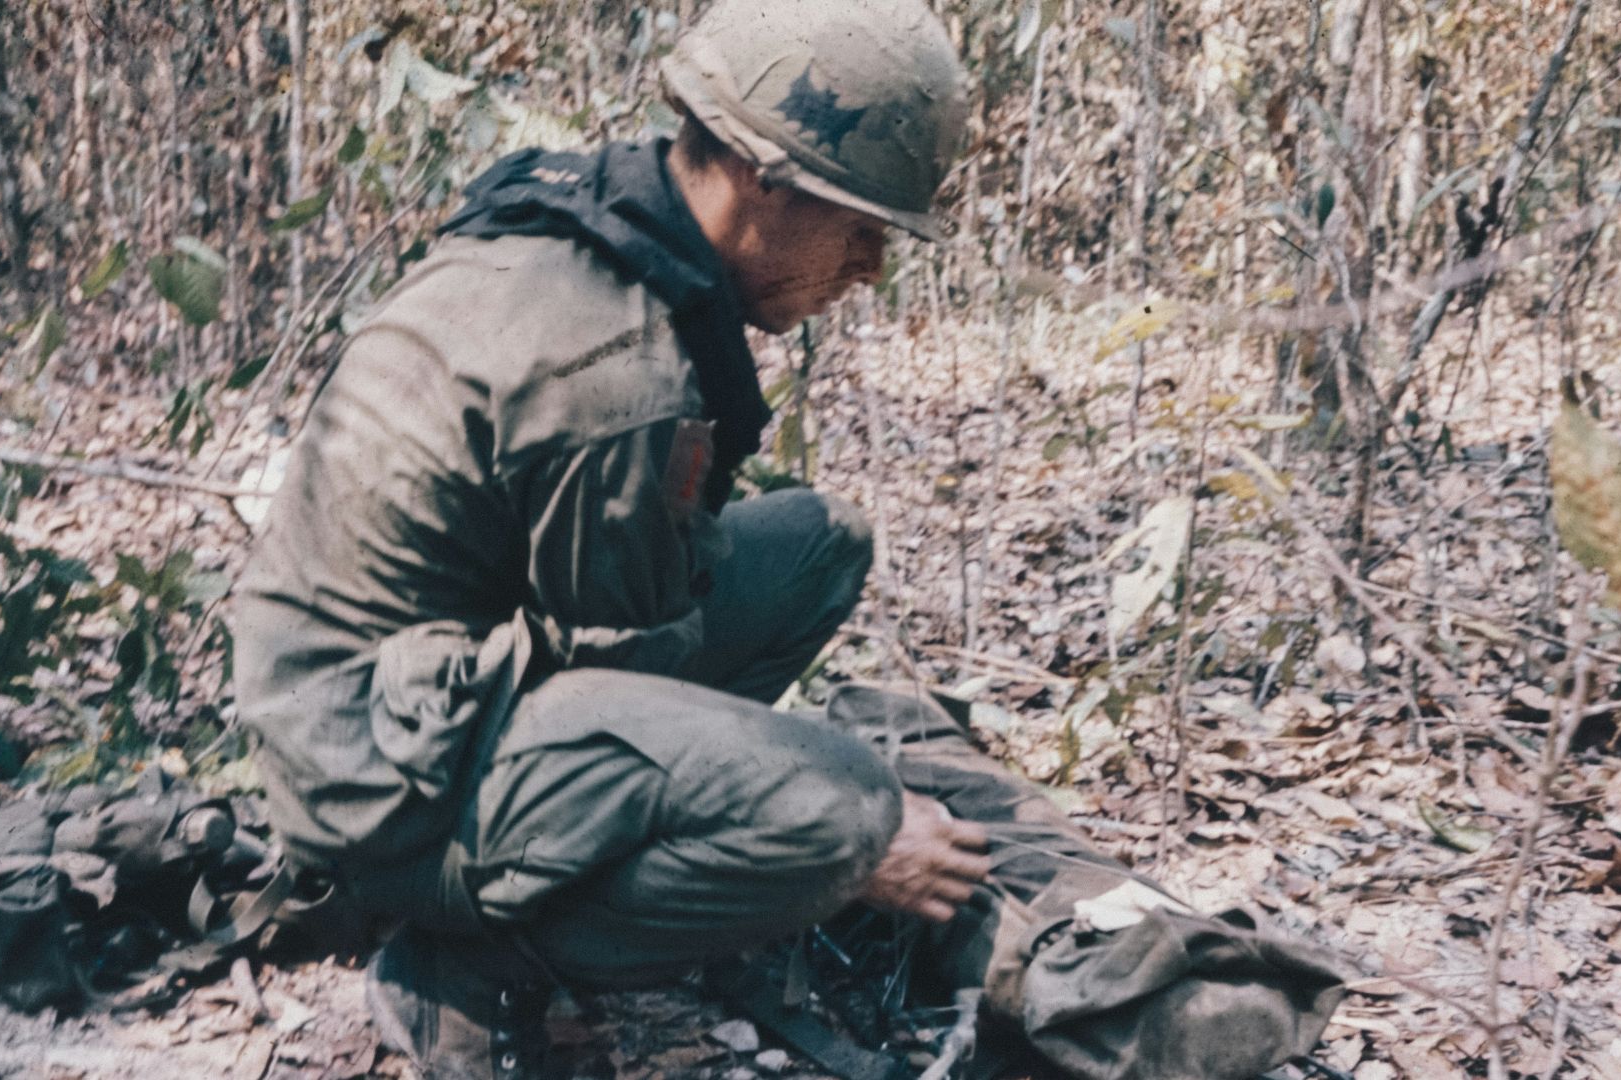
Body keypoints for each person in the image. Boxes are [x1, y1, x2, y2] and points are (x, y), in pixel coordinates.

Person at [232, 1, 1347, 1078]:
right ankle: (472, 961)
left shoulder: (606, 220)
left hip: (428, 679)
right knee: (847, 815)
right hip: (373, 770)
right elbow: (619, 665)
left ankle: (649, 848)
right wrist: (846, 835)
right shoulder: (613, 376)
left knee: (821, 542)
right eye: (860, 230)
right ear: (763, 180)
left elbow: (618, 630)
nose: (868, 270)